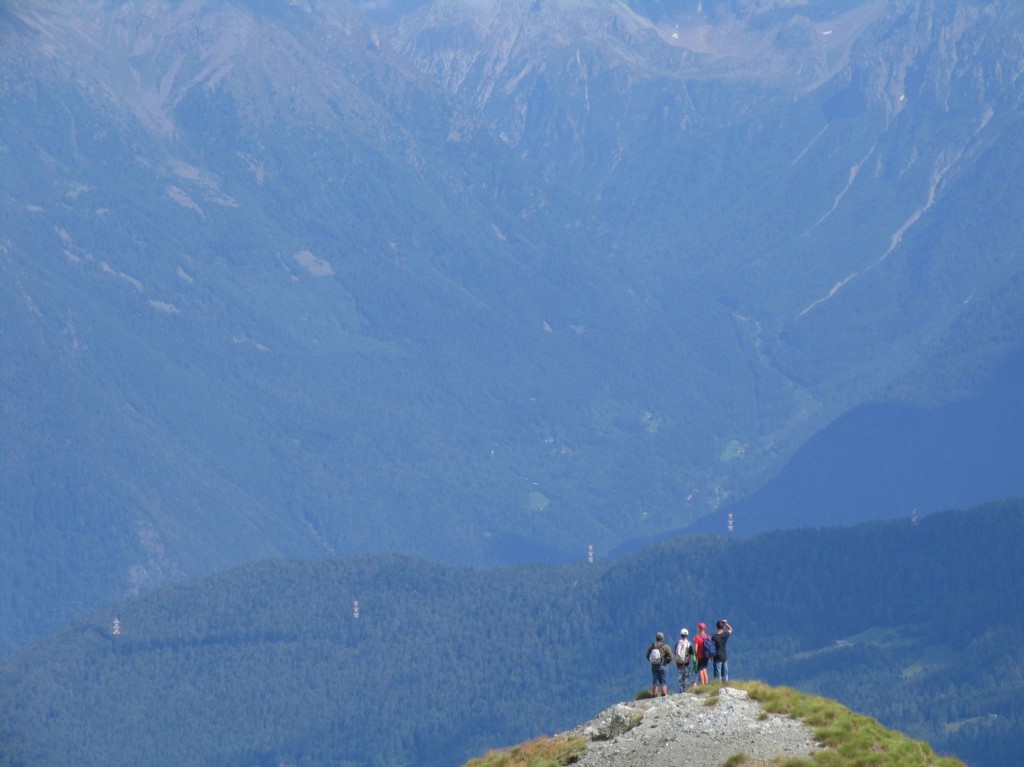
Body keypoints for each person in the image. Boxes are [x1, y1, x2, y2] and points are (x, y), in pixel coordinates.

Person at [645, 631, 673, 697]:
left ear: (656, 638)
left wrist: (652, 661)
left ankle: (654, 696)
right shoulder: (666, 646)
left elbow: (647, 656)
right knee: (664, 682)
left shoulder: (652, 645)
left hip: (654, 666)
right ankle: (663, 696)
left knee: (655, 682)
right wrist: (667, 662)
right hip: (663, 665)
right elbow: (671, 657)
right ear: (662, 638)